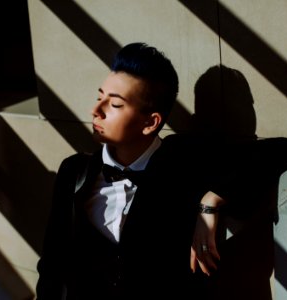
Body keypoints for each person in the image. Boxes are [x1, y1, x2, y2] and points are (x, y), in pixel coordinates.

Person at [35, 42, 231, 299]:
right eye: (99, 97)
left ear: (151, 123)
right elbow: (52, 262)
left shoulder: (184, 163)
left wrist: (210, 203)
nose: (95, 111)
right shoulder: (74, 171)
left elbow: (285, 153)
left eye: (114, 105)